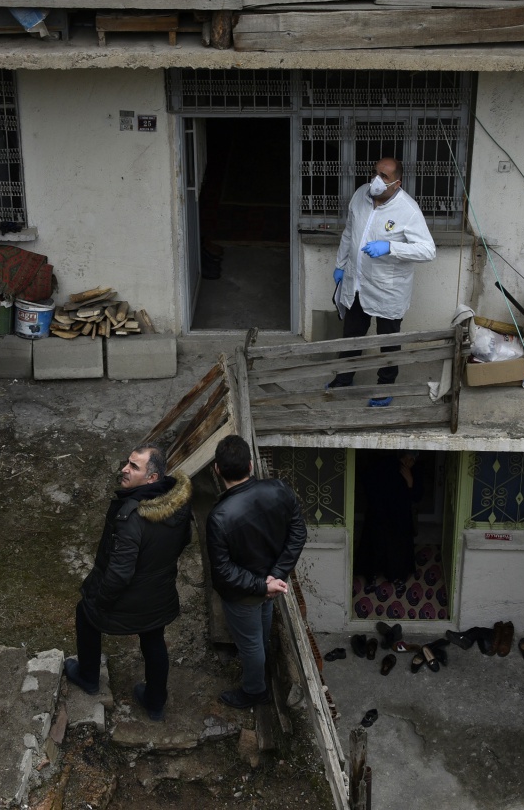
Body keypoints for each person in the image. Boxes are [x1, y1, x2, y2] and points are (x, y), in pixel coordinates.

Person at [65, 444, 193, 722]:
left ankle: (88, 677)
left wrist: (100, 600)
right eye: (127, 463)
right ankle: (155, 703)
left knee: (85, 614)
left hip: (131, 598)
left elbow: (120, 573)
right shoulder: (179, 503)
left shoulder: (131, 517)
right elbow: (184, 541)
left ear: (152, 478)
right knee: (153, 639)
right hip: (159, 595)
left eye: (134, 466)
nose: (124, 469)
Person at [205, 434, 306, 708]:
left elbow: (224, 570)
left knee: (250, 643)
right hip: (271, 582)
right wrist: (277, 574)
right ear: (251, 466)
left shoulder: (219, 517)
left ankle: (254, 691)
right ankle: (260, 667)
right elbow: (298, 533)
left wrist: (264, 585)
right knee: (258, 633)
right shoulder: (279, 489)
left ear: (217, 469)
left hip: (246, 592)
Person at [329, 157, 436, 406]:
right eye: (375, 173)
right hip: (356, 283)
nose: (377, 180)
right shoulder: (360, 195)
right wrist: (340, 264)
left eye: (384, 176)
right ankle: (344, 379)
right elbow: (349, 232)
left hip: (388, 289)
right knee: (352, 336)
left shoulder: (408, 210)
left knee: (387, 340)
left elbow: (428, 251)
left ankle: (385, 385)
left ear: (397, 183)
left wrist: (391, 247)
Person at [354, 450, 420, 584]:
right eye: (411, 460)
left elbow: (415, 496)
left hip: (386, 517)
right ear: (408, 459)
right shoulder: (388, 468)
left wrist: (410, 483)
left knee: (382, 548)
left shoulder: (402, 471)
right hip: (386, 517)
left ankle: (377, 576)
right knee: (386, 549)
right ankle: (390, 576)